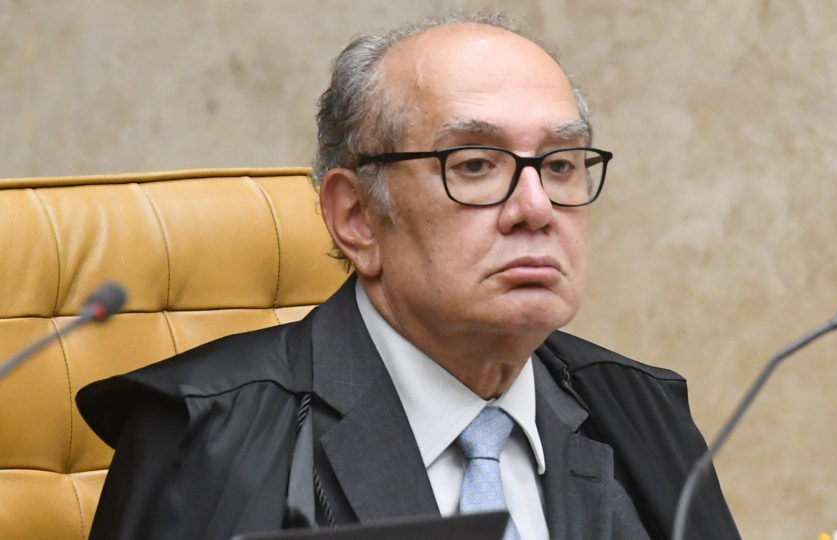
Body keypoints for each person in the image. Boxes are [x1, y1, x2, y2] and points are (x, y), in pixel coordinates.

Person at [77, 12, 739, 540]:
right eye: (474, 165)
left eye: (561, 165)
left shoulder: (642, 410)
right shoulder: (207, 432)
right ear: (357, 217)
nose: (536, 208)